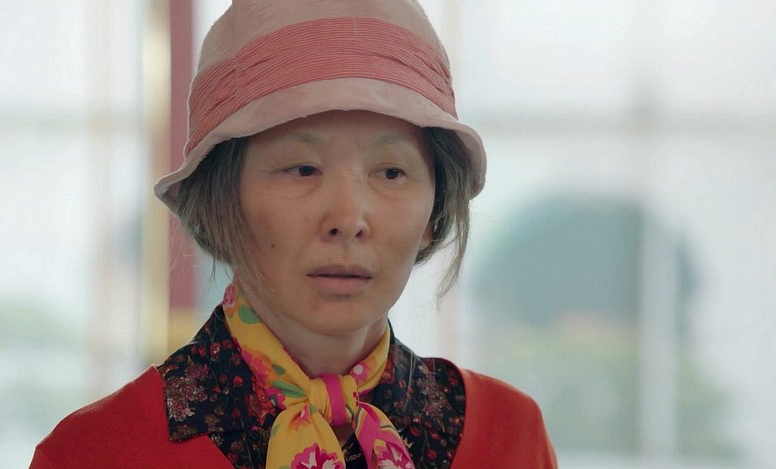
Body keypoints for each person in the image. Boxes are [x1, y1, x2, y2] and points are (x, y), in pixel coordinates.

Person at [31, 1, 557, 467]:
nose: (348, 218)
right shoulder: (94, 453)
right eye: (302, 169)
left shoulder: (510, 436)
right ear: (219, 203)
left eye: (391, 172)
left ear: (435, 214)